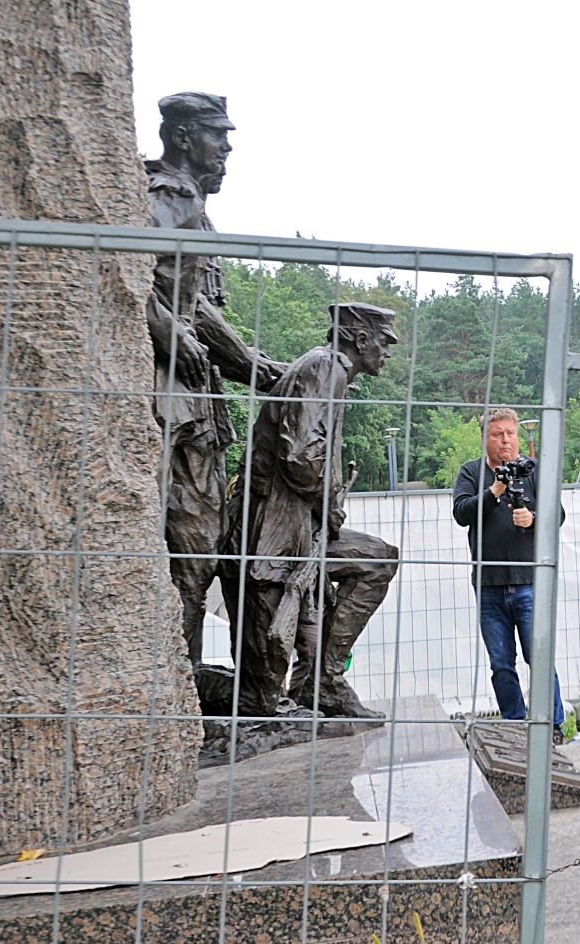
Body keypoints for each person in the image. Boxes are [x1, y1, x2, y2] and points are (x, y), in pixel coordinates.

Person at [146, 91, 284, 667]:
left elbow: (200, 309)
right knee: (191, 549)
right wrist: (167, 329)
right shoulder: (169, 197)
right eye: (216, 135)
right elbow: (140, 281)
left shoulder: (194, 206)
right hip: (172, 397)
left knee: (198, 550)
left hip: (197, 396)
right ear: (182, 137)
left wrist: (258, 368)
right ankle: (173, 688)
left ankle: (185, 685)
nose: (226, 149)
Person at [223, 302, 400, 721]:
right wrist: (328, 499)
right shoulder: (326, 368)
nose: (389, 351)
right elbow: (301, 455)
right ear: (360, 339)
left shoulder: (330, 372)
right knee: (259, 699)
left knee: (376, 559)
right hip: (268, 534)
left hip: (297, 529)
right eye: (385, 341)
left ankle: (323, 682)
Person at [452, 408, 565, 736]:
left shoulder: (533, 471)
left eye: (510, 434)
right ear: (485, 438)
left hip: (530, 582)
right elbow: (461, 513)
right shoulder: (471, 472)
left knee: (540, 659)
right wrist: (495, 491)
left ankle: (552, 727)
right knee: (501, 665)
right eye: (497, 434)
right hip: (489, 585)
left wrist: (532, 519)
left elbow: (556, 514)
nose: (505, 440)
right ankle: (515, 730)